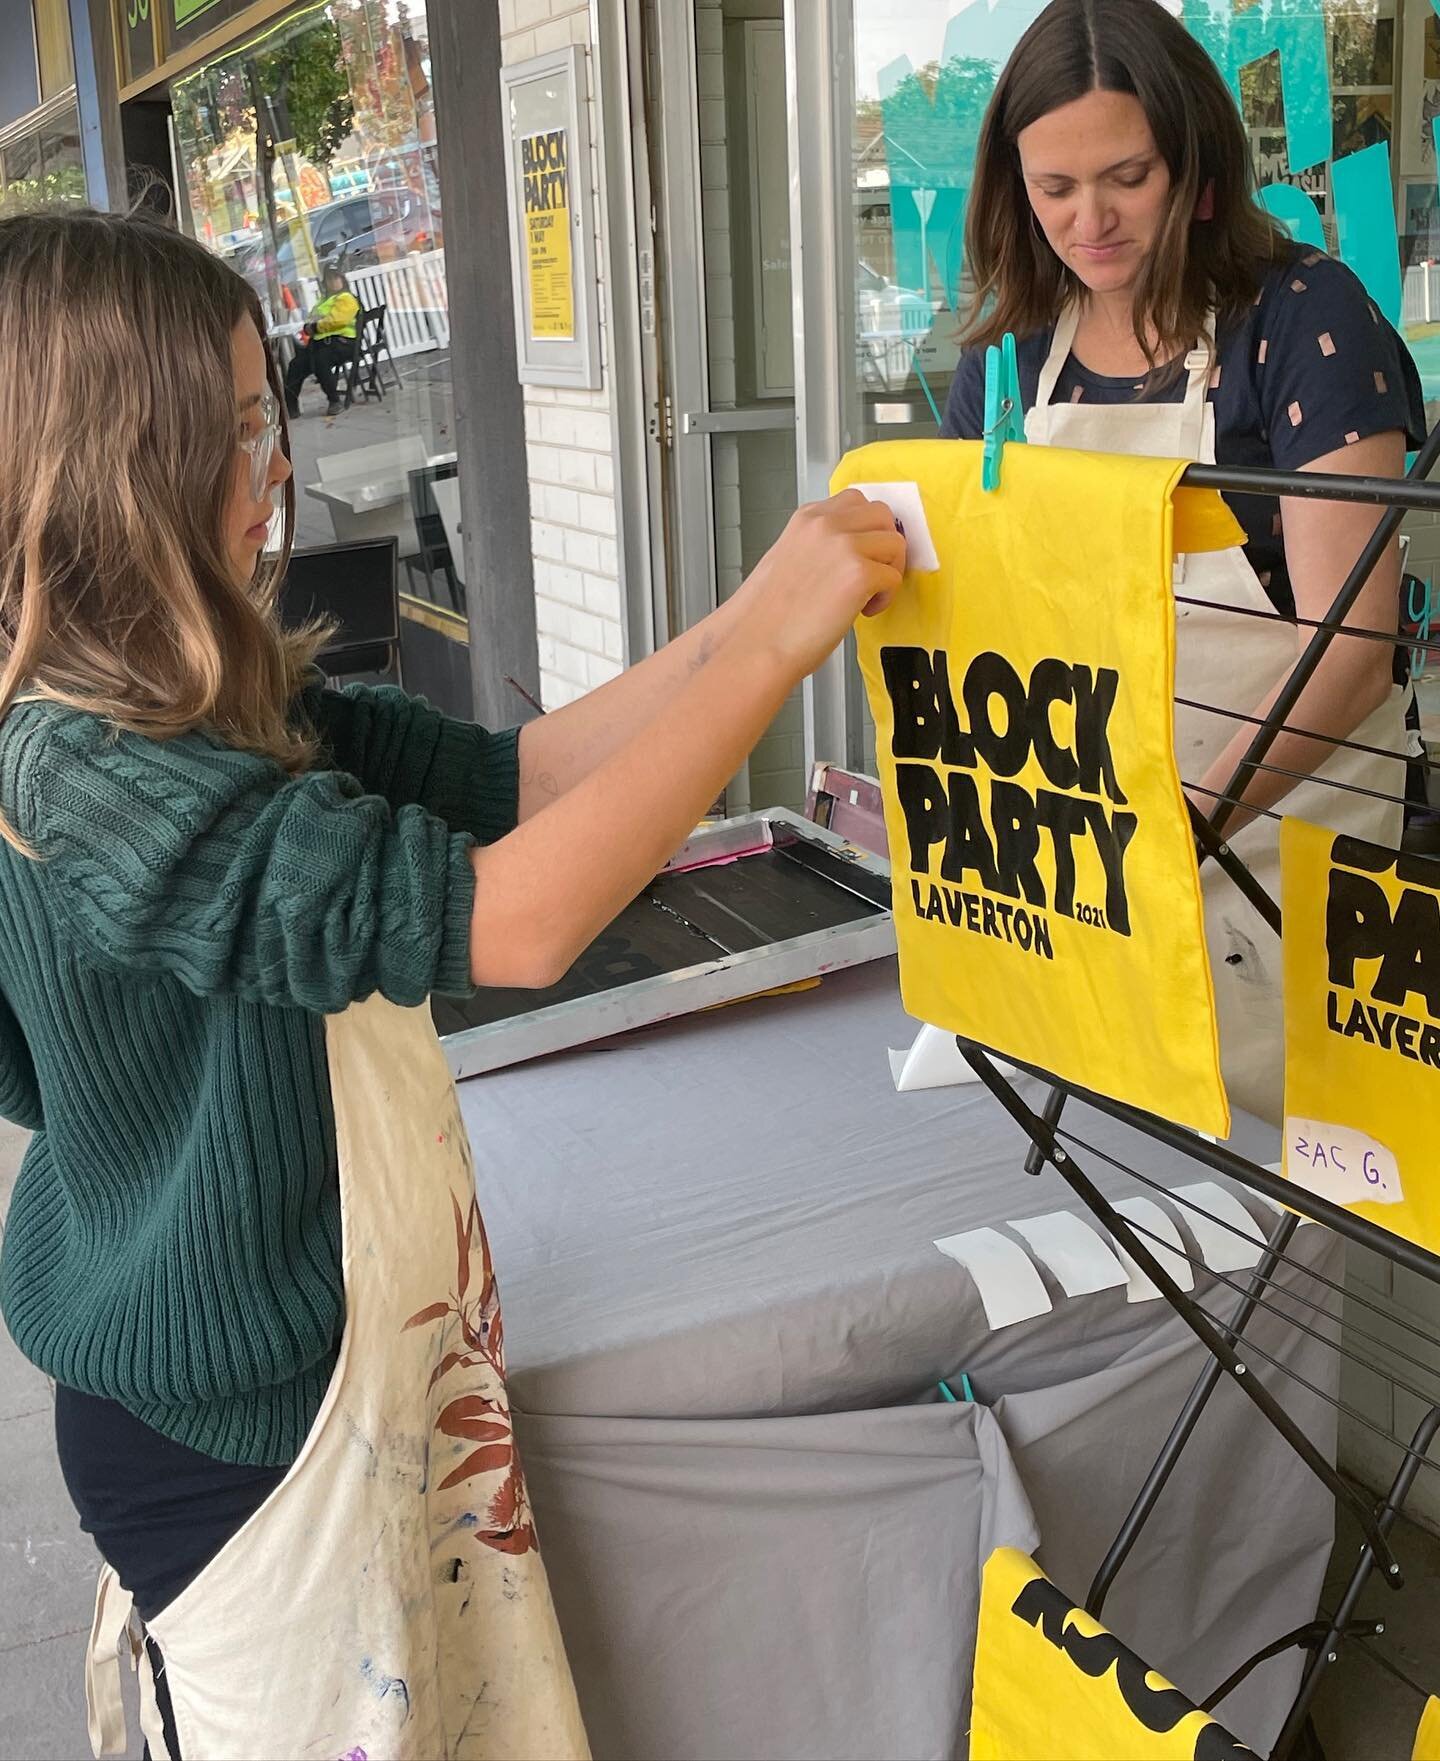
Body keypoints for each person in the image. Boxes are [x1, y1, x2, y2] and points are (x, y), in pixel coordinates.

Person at [0, 209, 906, 1758]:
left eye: (262, 414)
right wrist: (769, 650)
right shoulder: (83, 769)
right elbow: (517, 921)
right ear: (119, 464)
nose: (274, 462)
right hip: (232, 1439)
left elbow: (519, 775)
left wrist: (758, 605)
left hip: (304, 1386)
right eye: (229, 431)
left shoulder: (214, 694)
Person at [943, 0, 1426, 1124]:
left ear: (1198, 165)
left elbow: (1350, 653)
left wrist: (1173, 827)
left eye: (1128, 176)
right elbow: (996, 622)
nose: (1090, 220)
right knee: (1127, 1174)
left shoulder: (1303, 321)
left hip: (1294, 841)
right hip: (1096, 860)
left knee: (1315, 1202)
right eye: (1053, 189)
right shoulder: (1014, 362)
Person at [283, 263, 360, 417]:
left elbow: (337, 321)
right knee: (296, 365)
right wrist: (312, 326)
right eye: (329, 279)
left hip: (342, 343)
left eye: (335, 278)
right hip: (321, 344)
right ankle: (291, 408)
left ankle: (334, 401)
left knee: (320, 361)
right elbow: (312, 317)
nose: (332, 282)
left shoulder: (346, 298)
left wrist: (316, 327)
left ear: (342, 279)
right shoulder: (324, 300)